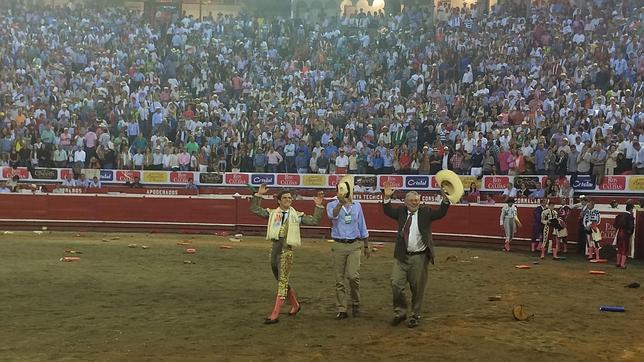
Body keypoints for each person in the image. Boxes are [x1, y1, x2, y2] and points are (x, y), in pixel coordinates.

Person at [250, 184, 325, 324]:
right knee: (281, 280)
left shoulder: (296, 215)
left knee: (282, 281)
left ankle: (275, 314)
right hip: (274, 251)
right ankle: (295, 305)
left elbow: (314, 221)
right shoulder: (273, 213)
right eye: (284, 198)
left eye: (290, 198)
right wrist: (258, 195)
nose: (288, 200)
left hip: (286, 251)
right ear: (278, 200)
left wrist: (319, 206)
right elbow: (255, 209)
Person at [382, 185, 450, 328]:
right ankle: (400, 312)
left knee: (417, 288)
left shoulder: (426, 212)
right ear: (405, 203)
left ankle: (414, 315)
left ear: (420, 201)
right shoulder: (401, 212)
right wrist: (387, 197)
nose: (414, 203)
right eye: (411, 200)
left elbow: (441, 213)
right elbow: (387, 210)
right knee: (395, 283)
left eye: (416, 200)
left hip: (419, 257)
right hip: (401, 256)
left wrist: (445, 198)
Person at [326, 176, 369, 319]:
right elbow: (332, 216)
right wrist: (339, 202)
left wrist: (366, 245)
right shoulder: (332, 204)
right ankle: (342, 309)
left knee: (352, 276)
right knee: (339, 279)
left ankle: (355, 303)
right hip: (338, 244)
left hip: (354, 244)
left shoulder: (357, 205)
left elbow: (362, 225)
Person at [613, 202, 635, 269]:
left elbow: (615, 224)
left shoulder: (620, 214)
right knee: (625, 249)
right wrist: (630, 233)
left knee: (619, 248)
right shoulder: (630, 216)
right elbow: (631, 226)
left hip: (619, 232)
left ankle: (618, 263)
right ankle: (622, 264)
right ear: (631, 209)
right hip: (626, 233)